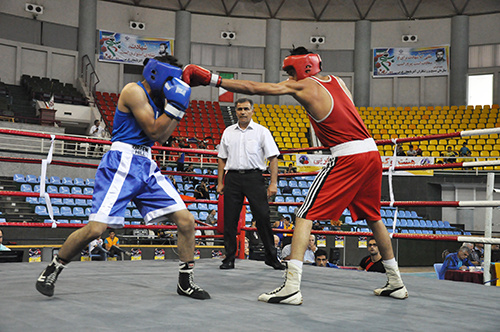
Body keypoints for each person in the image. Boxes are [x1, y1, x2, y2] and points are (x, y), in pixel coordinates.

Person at [183, 45, 408, 304]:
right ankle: (396, 282)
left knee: (304, 215)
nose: (288, 78)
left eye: (290, 71)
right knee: (373, 216)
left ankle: (291, 286)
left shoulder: (304, 86)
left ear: (304, 67)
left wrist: (214, 79)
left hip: (347, 156)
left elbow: (258, 89)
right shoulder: (338, 82)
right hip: (371, 153)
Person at [36, 55, 210, 300]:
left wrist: (177, 107)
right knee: (96, 230)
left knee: (186, 221)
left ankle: (185, 282)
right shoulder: (133, 91)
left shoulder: (162, 100)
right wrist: (176, 106)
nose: (175, 82)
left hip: (146, 163)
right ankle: (53, 268)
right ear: (156, 73)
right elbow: (152, 129)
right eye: (172, 76)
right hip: (122, 162)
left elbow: (161, 138)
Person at [215, 98, 284, 271]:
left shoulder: (262, 132)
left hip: (255, 177)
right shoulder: (228, 132)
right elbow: (222, 159)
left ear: (252, 111)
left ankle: (271, 257)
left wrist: (273, 183)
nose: (243, 112)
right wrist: (220, 182)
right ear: (236, 111)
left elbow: (273, 158)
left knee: (262, 217)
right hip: (232, 179)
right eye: (239, 109)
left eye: (246, 109)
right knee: (230, 220)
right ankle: (229, 258)